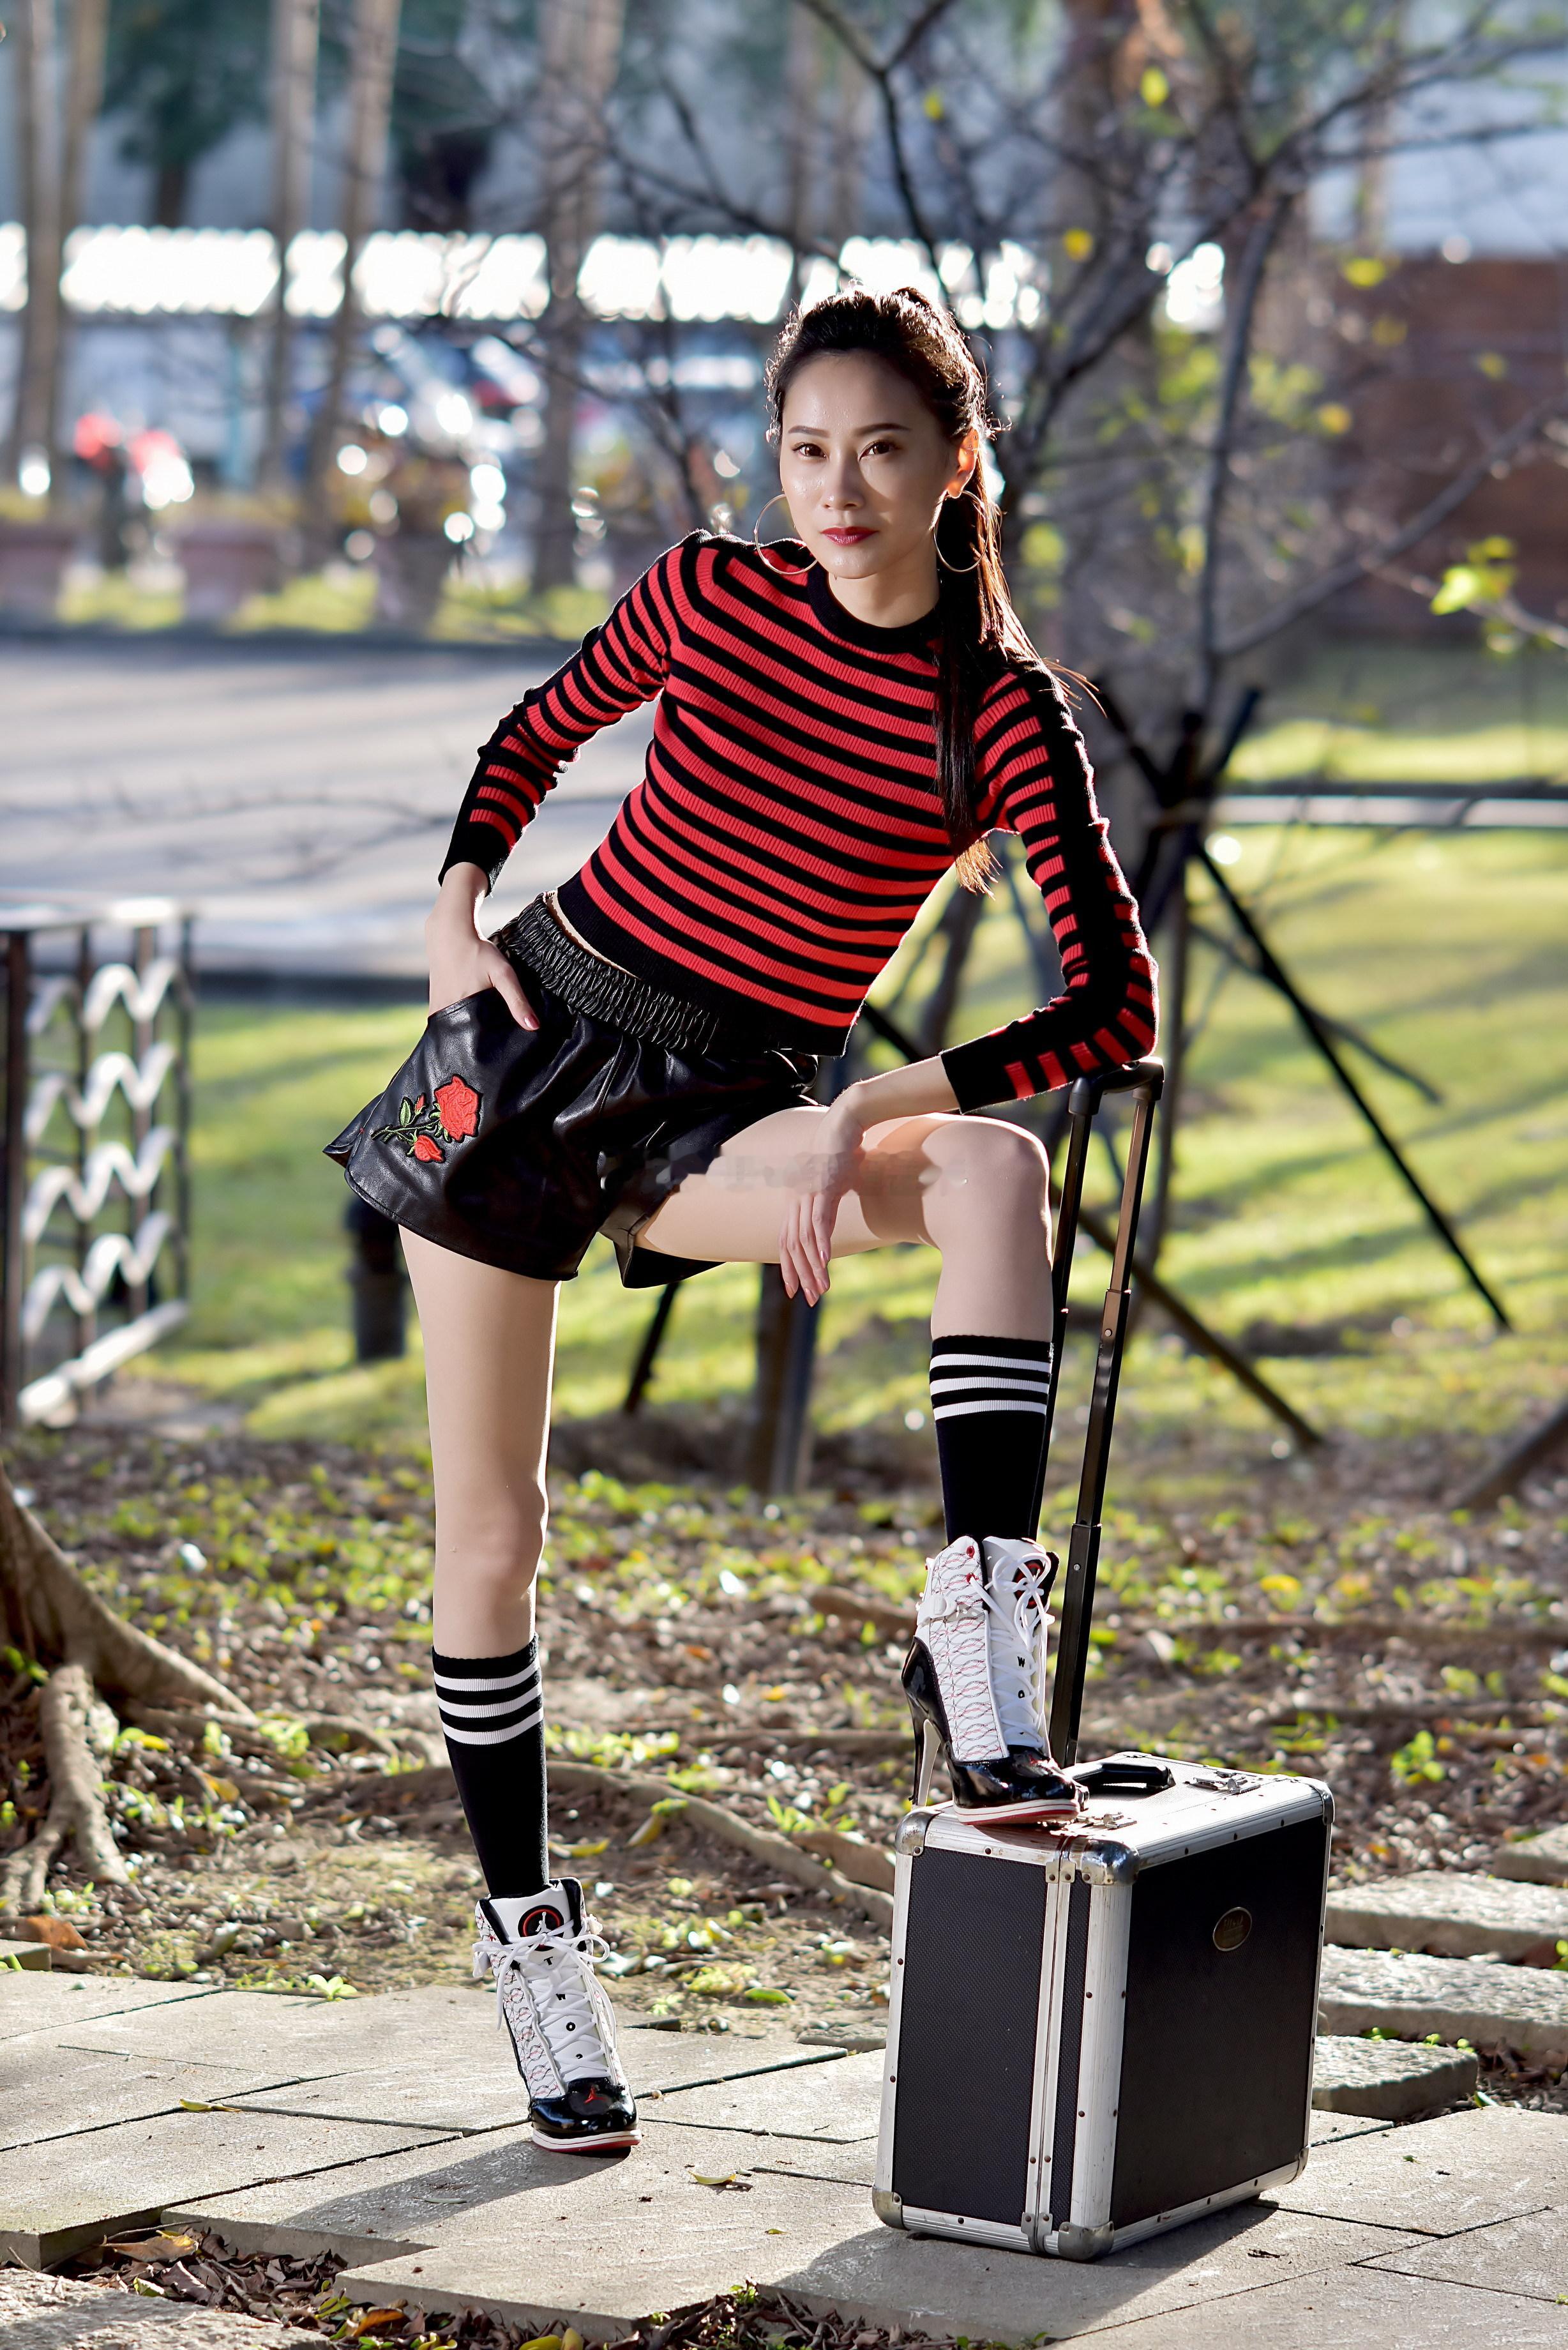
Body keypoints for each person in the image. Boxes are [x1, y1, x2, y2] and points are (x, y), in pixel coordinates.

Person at [326, 284, 1157, 2157]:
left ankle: (978, 1633)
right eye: (806, 451)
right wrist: (457, 909)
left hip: (735, 1103)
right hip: (516, 1068)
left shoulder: (999, 713)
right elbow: (536, 732)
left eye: (881, 451)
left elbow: (1116, 1006)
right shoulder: (710, 594)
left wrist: (877, 1097)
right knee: (493, 1536)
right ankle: (530, 1943)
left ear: (960, 463)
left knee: (992, 1171)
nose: (838, 491)